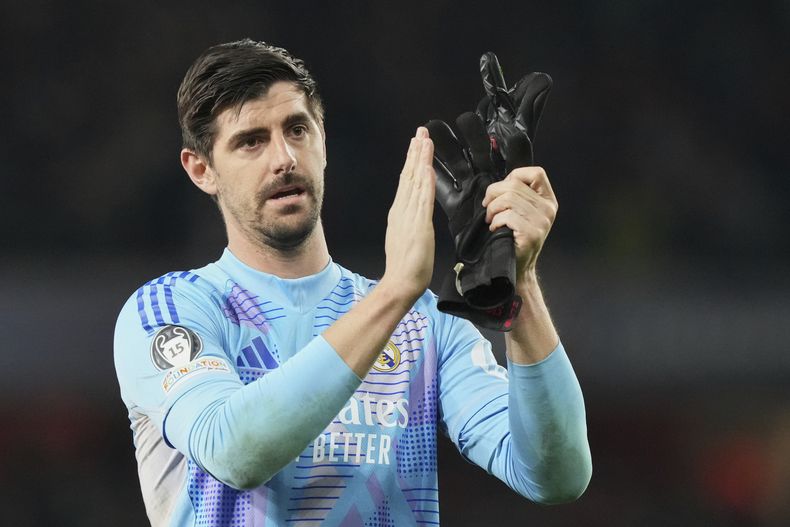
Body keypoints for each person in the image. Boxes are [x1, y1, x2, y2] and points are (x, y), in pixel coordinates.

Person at [114, 39, 592, 527]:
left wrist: (520, 279)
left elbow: (556, 475)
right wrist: (393, 292)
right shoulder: (170, 309)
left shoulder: (425, 324)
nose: (283, 158)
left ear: (323, 140)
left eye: (297, 129)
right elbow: (235, 452)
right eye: (251, 141)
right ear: (201, 169)